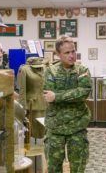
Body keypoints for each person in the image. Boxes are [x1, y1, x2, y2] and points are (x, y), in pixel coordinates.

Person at [43, 35, 92, 173]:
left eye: (73, 51)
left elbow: (83, 92)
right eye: (67, 52)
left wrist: (57, 96)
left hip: (77, 125)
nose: (72, 55)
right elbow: (48, 95)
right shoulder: (50, 71)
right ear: (58, 54)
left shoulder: (82, 71)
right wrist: (71, 94)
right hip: (55, 127)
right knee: (53, 167)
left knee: (78, 167)